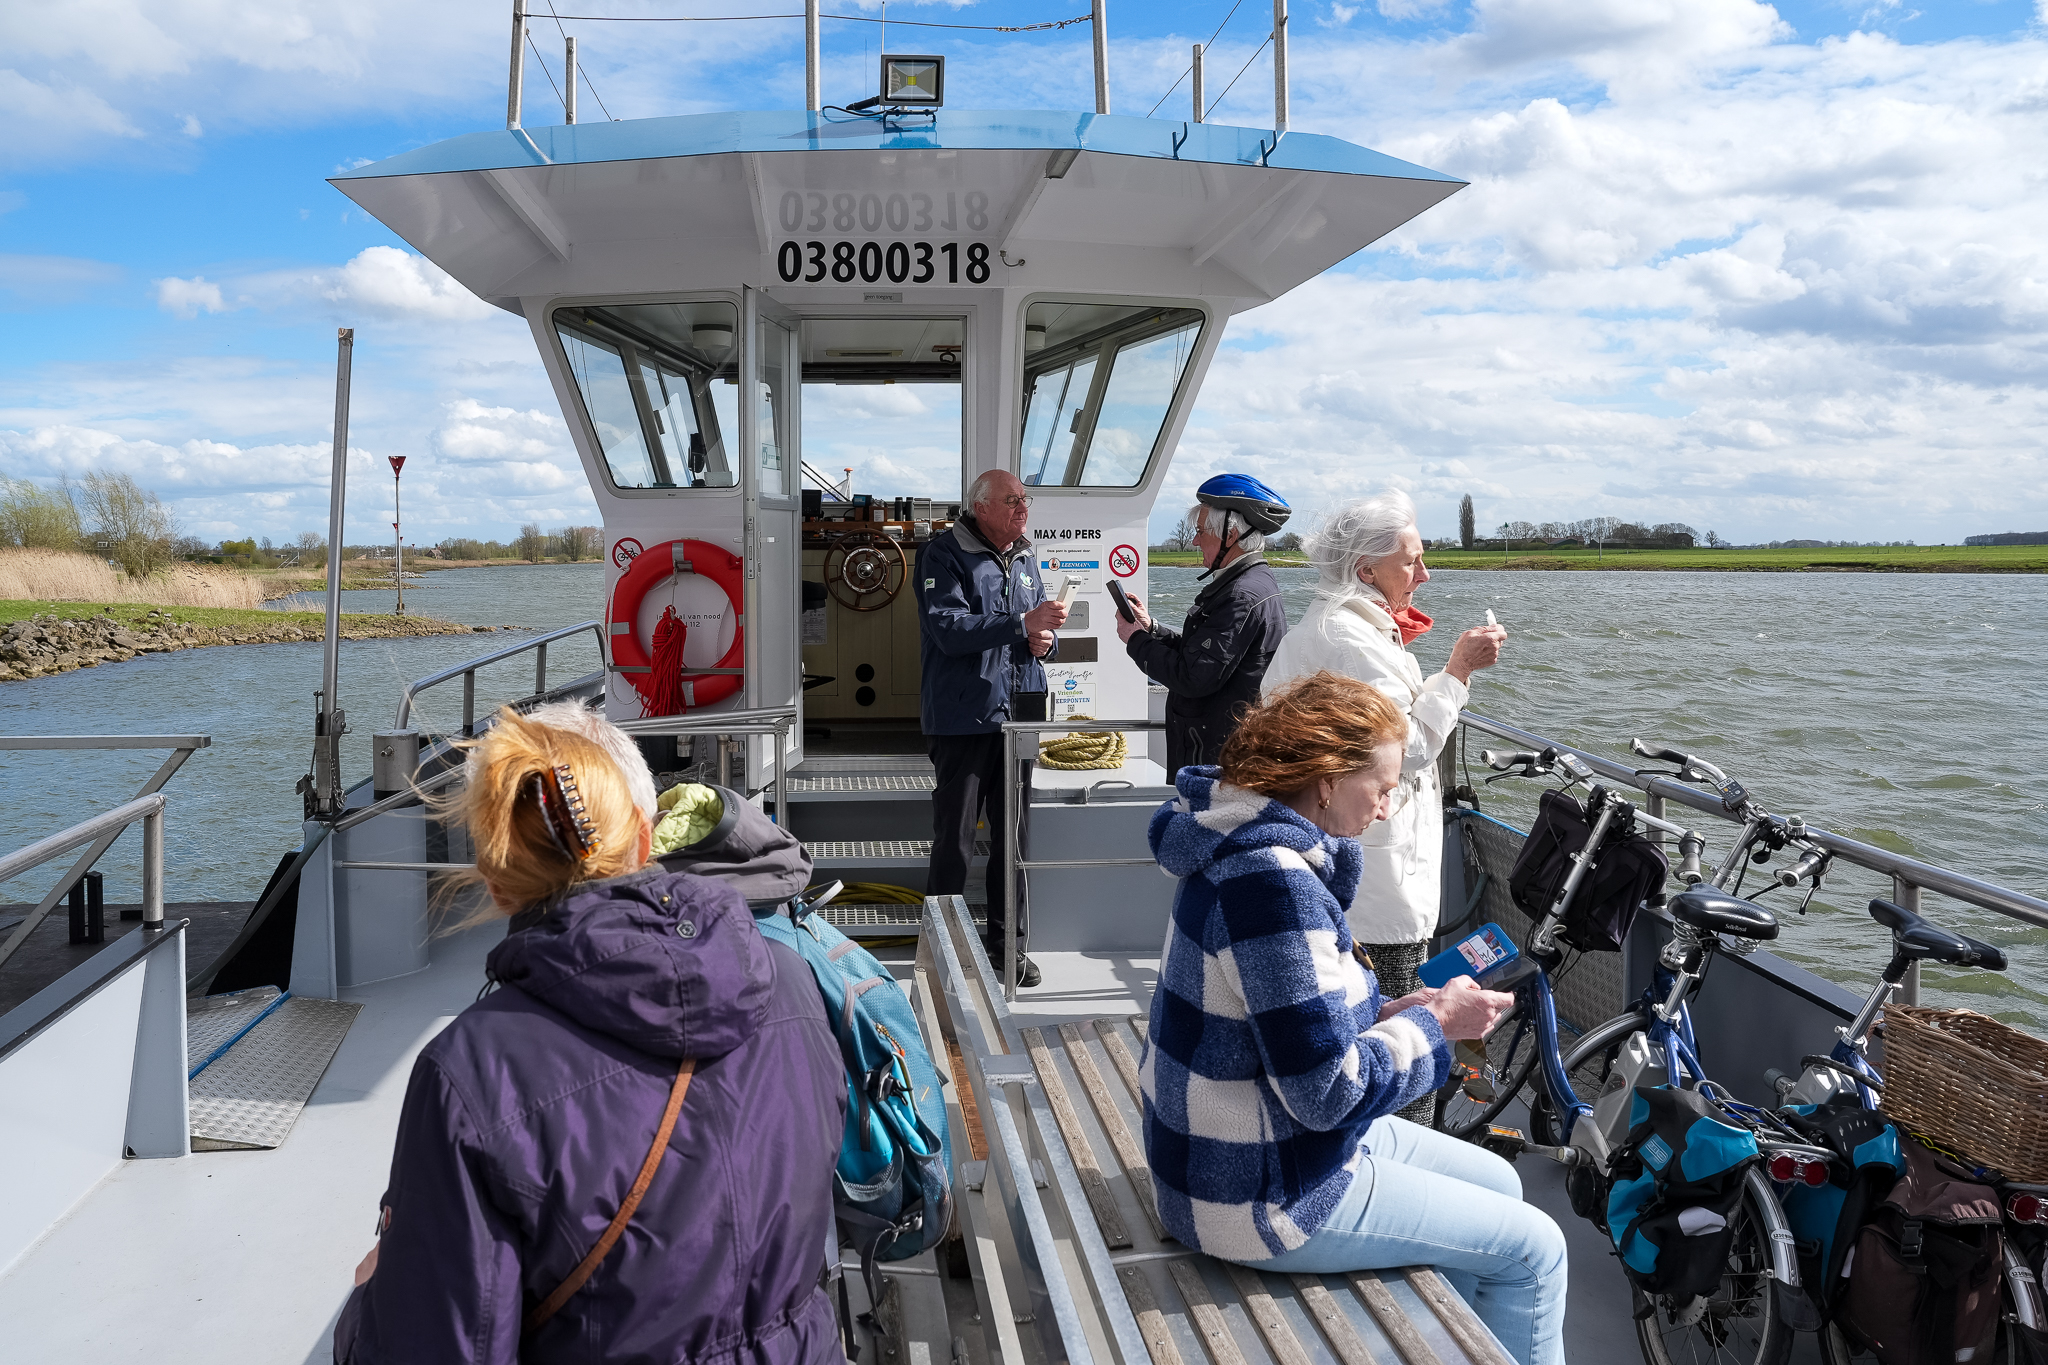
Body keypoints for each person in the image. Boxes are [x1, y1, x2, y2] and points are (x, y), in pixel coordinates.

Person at [334, 707, 847, 1364]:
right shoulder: (790, 981)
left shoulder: (470, 1074)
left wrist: (371, 1300)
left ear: (493, 881)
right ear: (645, 835)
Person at [1141, 673, 1565, 1365]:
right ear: (1328, 777)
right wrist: (1437, 1028)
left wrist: (1405, 1010)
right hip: (1254, 1194)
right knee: (1536, 1249)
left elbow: (1288, 1021)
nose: (1388, 807)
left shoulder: (1233, 842)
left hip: (1229, 1151)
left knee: (1503, 1183)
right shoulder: (1273, 883)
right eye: (1383, 786)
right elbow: (1325, 1092)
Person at [1261, 489, 1506, 1045]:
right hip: (1374, 889)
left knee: (1356, 1024)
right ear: (1366, 568)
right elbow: (1408, 747)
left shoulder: (1336, 629)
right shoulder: (1352, 642)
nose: (1424, 574)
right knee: (1393, 1038)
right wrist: (1458, 671)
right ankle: (1392, 1128)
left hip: (1347, 862)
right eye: (1411, 560)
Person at [914, 469, 1068, 988]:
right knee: (955, 840)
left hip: (1018, 714)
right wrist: (1024, 624)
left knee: (1013, 840)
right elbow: (949, 630)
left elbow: (1033, 631)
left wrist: (1044, 641)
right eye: (1011, 500)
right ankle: (944, 952)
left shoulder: (1024, 554)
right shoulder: (942, 555)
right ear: (981, 507)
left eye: (1025, 499)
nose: (1022, 508)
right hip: (963, 718)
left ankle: (1009, 948)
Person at [1115, 474, 1292, 778]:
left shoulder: (1240, 595)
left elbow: (1192, 677)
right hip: (1220, 749)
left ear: (1231, 535)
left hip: (1214, 759)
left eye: (1200, 532)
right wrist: (1153, 628)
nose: (1195, 541)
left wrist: (1135, 640)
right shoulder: (1250, 583)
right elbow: (1207, 654)